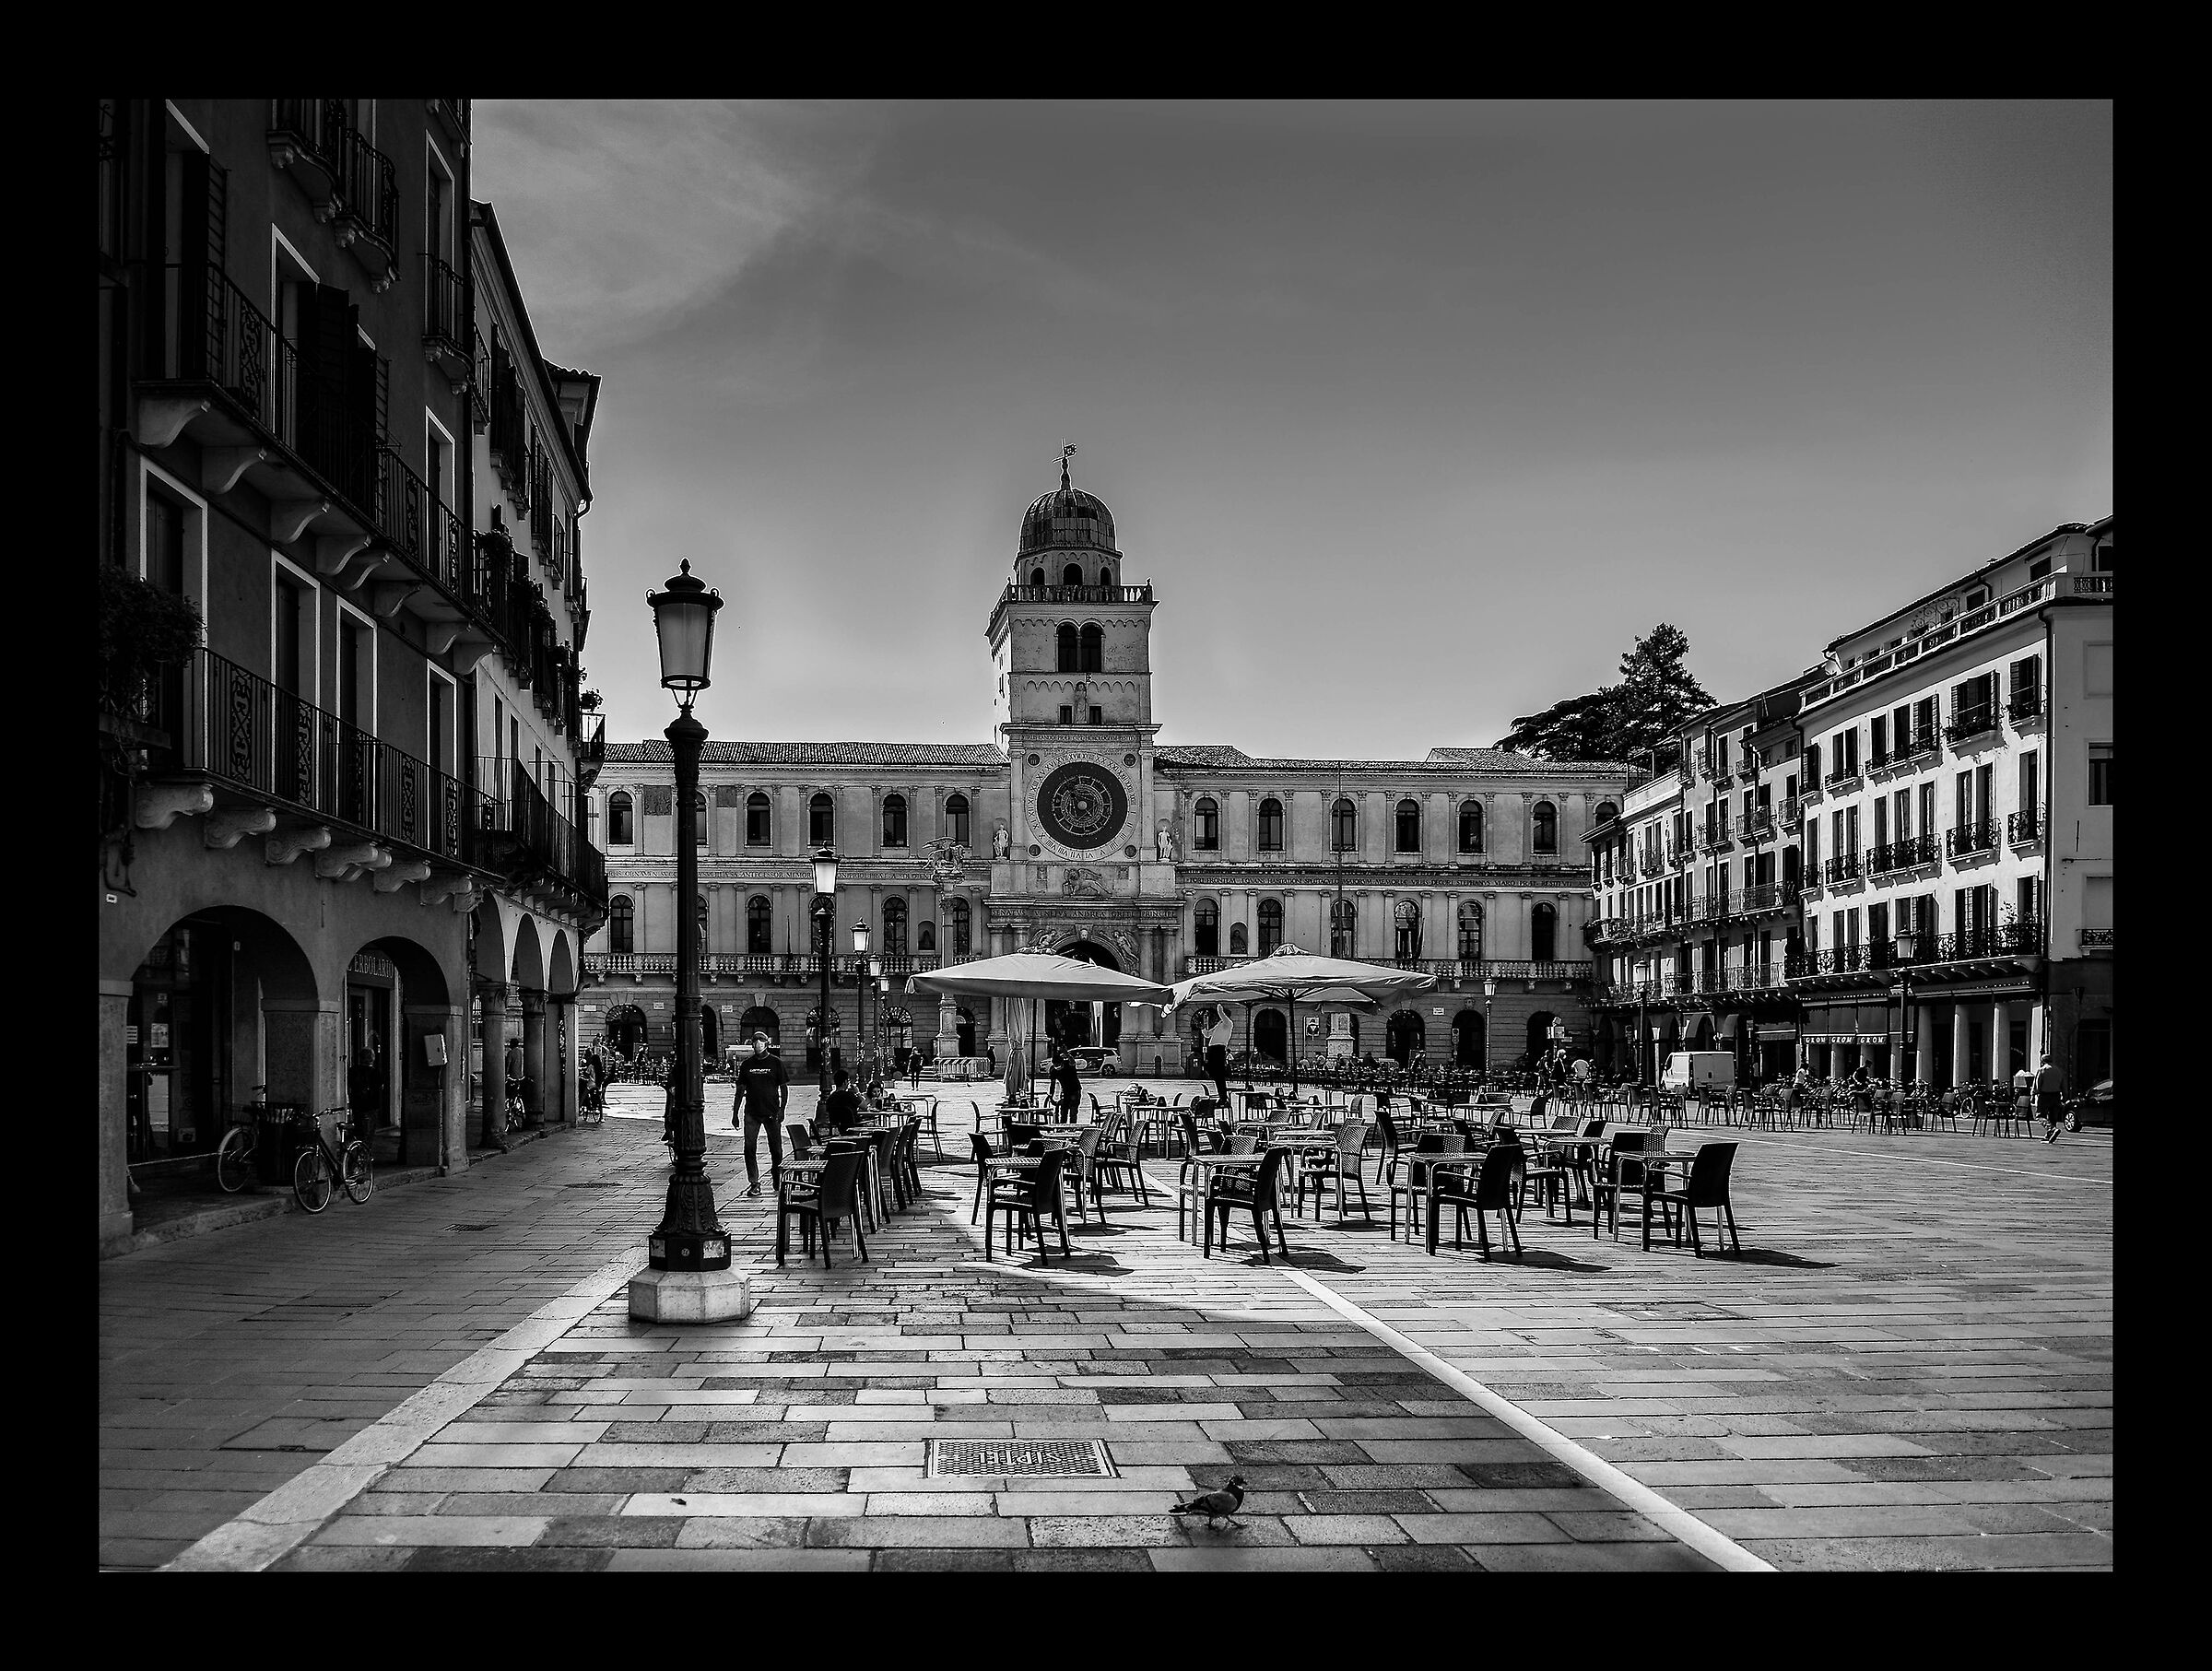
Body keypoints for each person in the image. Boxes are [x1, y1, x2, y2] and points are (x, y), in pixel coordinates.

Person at [733, 1033, 790, 1198]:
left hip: (772, 1112)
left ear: (767, 1043)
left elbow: (784, 1088)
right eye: (755, 1041)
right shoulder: (747, 1065)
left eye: (761, 1041)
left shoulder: (776, 1063)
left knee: (776, 1149)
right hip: (751, 1112)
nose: (758, 1044)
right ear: (752, 1044)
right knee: (749, 1148)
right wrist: (735, 1113)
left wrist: (782, 1109)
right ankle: (754, 1182)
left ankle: (776, 1175)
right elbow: (740, 1090)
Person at [818, 1066, 863, 1137]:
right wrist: (857, 1092)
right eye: (848, 1081)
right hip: (854, 1127)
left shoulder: (830, 1098)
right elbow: (864, 1106)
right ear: (845, 1082)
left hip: (839, 1128)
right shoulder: (849, 1095)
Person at [1203, 1006, 1233, 1104]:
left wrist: (1219, 1008)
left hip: (1219, 1049)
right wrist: (1204, 1031)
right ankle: (1222, 1096)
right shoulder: (1219, 1025)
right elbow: (1208, 1034)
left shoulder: (1228, 1023)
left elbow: (1222, 1014)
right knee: (1213, 1072)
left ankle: (1223, 1097)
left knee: (1218, 1074)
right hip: (1212, 1049)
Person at [2033, 1053, 2065, 1143]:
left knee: (2040, 1116)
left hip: (2044, 1095)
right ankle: (2049, 1136)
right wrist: (2065, 1097)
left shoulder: (2042, 1070)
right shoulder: (2059, 1070)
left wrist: (2033, 1095)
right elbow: (2063, 1085)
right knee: (2053, 1116)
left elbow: (2037, 1085)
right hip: (2056, 1095)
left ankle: (2052, 1129)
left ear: (2042, 1061)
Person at [1053, 1048, 1083, 1121]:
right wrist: (1051, 1096)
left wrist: (1068, 1055)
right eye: (1055, 1065)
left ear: (1062, 1063)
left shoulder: (1068, 1065)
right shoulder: (1054, 1071)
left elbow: (1073, 1062)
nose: (1057, 1066)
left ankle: (1072, 1128)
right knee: (1063, 1111)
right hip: (1065, 1092)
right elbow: (1052, 1084)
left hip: (1074, 1090)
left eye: (1058, 1064)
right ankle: (1062, 1128)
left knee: (1073, 1111)